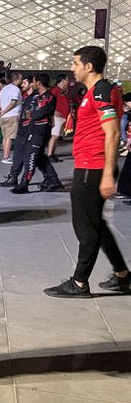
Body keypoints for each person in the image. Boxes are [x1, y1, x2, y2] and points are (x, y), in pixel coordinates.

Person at [45, 46, 130, 297]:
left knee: (85, 227)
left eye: (75, 63)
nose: (72, 68)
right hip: (89, 166)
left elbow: (113, 133)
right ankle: (122, 275)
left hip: (92, 168)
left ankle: (79, 282)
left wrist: (106, 174)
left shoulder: (101, 91)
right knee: (97, 225)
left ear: (88, 66)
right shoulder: (94, 92)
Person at [0, 73, 63, 193]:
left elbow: (40, 112)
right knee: (38, 157)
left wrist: (31, 115)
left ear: (38, 83)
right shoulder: (35, 97)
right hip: (30, 129)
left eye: (27, 82)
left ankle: (24, 183)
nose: (23, 84)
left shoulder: (47, 96)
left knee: (31, 157)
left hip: (39, 131)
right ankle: (53, 180)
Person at [0, 72, 23, 163]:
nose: (21, 81)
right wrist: (4, 111)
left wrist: (0, 111)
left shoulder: (4, 88)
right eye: (20, 79)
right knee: (9, 137)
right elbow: (13, 102)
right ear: (17, 80)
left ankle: (5, 155)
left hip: (3, 117)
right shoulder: (16, 89)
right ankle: (6, 157)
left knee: (5, 137)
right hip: (11, 115)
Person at [47, 74, 71, 162]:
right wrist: (53, 111)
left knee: (57, 136)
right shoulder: (55, 90)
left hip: (63, 117)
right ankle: (49, 154)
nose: (68, 82)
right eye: (67, 80)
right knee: (55, 135)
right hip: (57, 116)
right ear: (63, 80)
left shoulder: (62, 91)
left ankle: (52, 154)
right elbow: (49, 101)